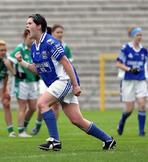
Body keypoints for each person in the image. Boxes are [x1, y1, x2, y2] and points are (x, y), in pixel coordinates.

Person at [16, 13, 116, 151]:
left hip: (64, 81)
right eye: (26, 23)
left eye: (29, 23)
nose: (26, 26)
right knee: (76, 120)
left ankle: (55, 141)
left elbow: (66, 63)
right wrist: (22, 62)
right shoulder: (34, 47)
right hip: (58, 83)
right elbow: (38, 69)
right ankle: (108, 140)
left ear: (39, 26)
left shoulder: (50, 42)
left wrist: (76, 85)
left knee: (42, 103)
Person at [31, 24, 74, 135]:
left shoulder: (61, 46)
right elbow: (39, 66)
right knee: (42, 103)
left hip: (60, 80)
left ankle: (53, 134)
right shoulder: (44, 44)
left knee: (48, 104)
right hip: (47, 79)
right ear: (52, 33)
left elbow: (67, 63)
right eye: (57, 32)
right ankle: (39, 123)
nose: (60, 34)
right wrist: (23, 63)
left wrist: (75, 83)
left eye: (61, 32)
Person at [116, 27, 148, 136]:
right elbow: (118, 63)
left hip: (141, 80)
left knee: (142, 105)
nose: (139, 37)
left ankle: (141, 132)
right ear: (133, 36)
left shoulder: (144, 51)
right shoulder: (126, 48)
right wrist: (130, 69)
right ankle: (122, 120)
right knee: (129, 109)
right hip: (128, 81)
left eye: (140, 35)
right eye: (137, 35)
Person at [7, 29, 39, 137]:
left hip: (32, 82)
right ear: (25, 37)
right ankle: (21, 131)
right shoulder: (20, 48)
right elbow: (8, 62)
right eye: (30, 38)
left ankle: (24, 126)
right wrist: (15, 73)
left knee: (33, 107)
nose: (31, 40)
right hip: (22, 83)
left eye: (33, 38)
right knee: (22, 107)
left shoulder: (34, 49)